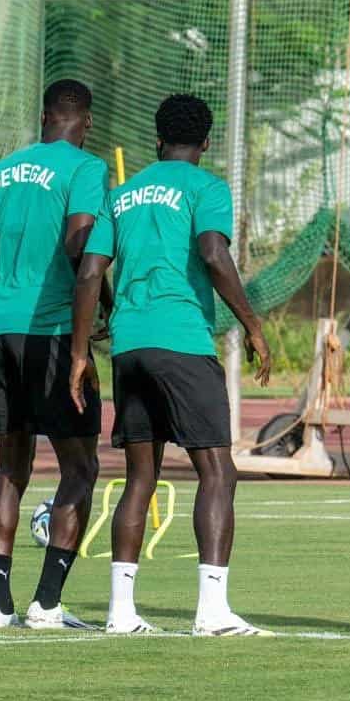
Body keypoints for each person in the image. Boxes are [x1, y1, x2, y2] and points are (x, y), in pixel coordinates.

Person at [69, 94, 273, 636]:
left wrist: (78, 350)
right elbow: (212, 253)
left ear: (157, 139)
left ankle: (120, 612)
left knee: (140, 476)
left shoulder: (126, 191)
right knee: (218, 472)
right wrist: (252, 324)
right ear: (206, 143)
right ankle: (211, 612)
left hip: (130, 346)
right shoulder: (207, 187)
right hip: (182, 340)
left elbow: (90, 272)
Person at [0, 79, 113, 629]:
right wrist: (102, 298)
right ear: (85, 123)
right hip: (56, 329)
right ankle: (46, 603)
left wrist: (13, 260)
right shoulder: (85, 169)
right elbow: (80, 240)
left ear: (44, 118)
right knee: (81, 467)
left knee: (10, 471)